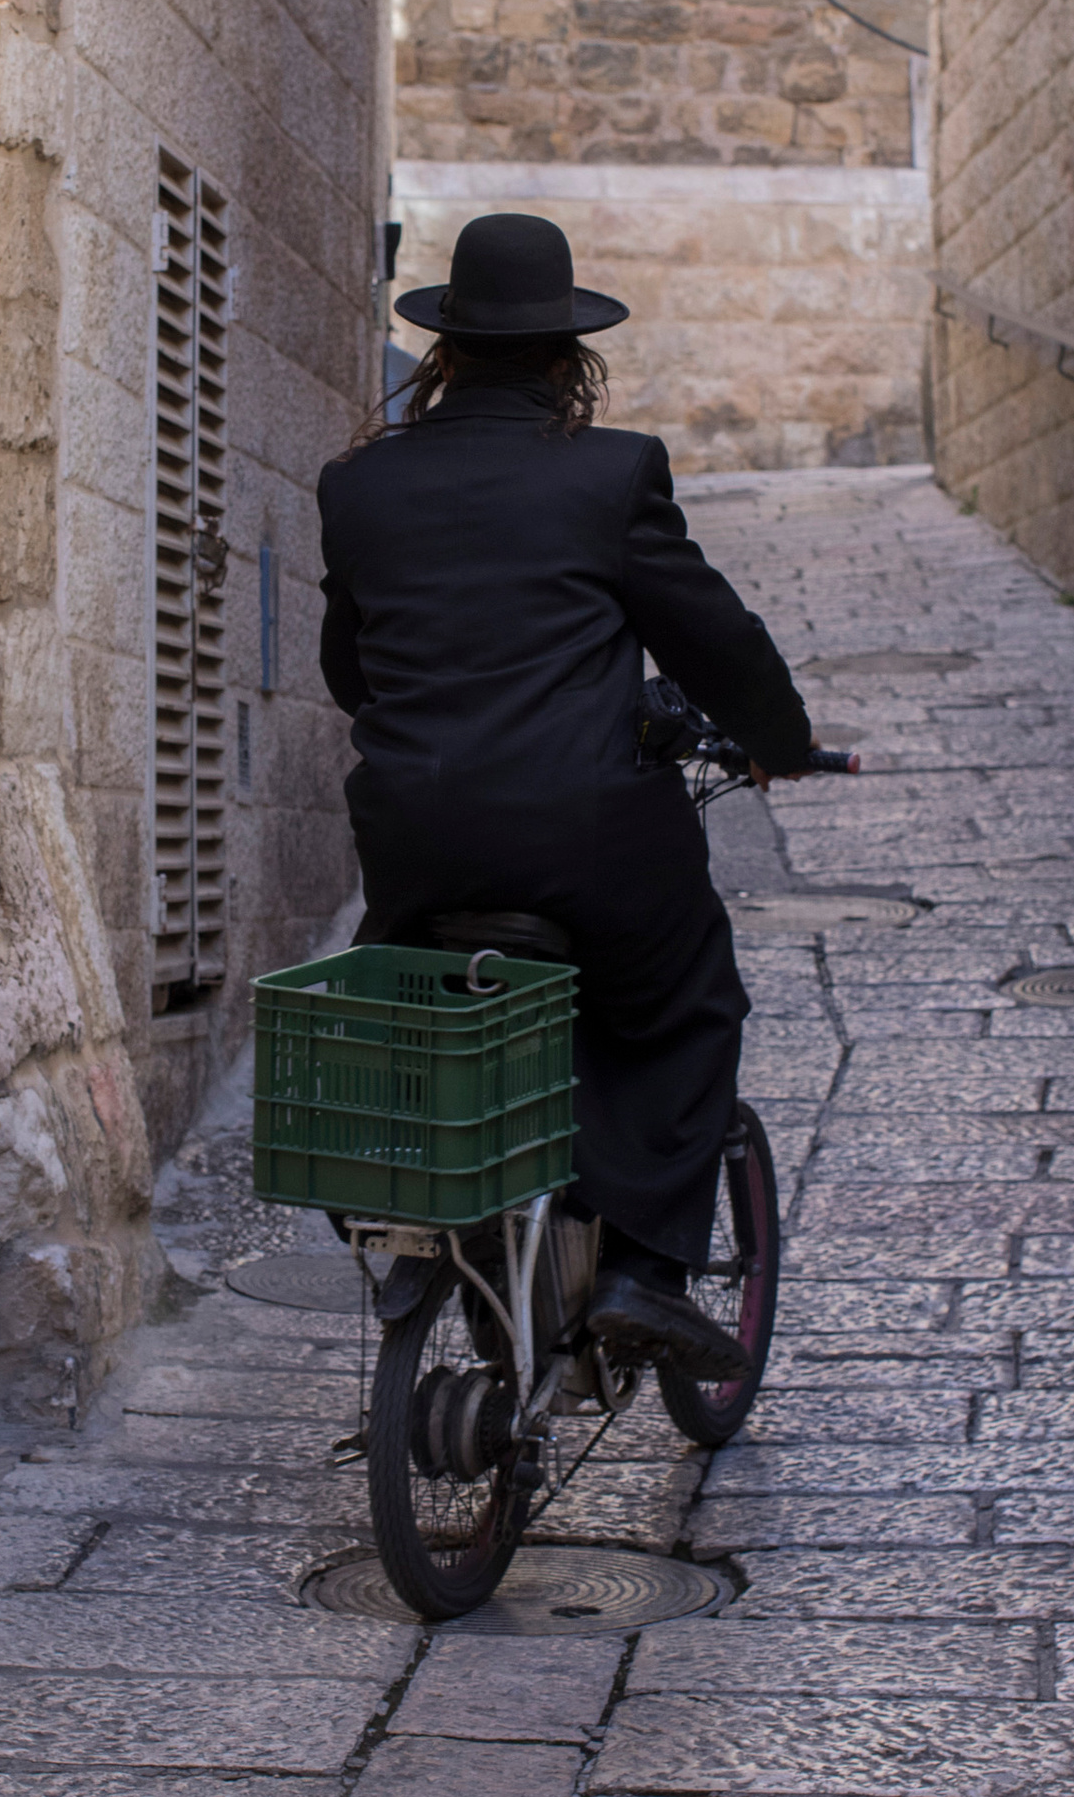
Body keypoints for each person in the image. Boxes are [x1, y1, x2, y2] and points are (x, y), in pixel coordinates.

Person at [316, 209, 816, 1377]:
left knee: (417, 994)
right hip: (589, 831)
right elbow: (710, 636)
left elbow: (350, 672)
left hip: (417, 833)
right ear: (564, 357)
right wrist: (775, 740)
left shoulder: (360, 485)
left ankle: (440, 1205)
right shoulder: (610, 470)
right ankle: (643, 1266)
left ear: (444, 351)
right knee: (685, 999)